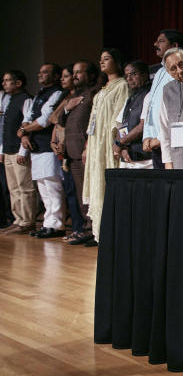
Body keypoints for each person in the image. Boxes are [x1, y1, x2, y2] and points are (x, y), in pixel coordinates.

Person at [83, 49, 129, 246]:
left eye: (107, 59)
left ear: (116, 62)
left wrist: (116, 141)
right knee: (96, 182)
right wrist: (88, 143)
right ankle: (98, 232)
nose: (102, 62)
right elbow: (93, 117)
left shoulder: (122, 85)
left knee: (106, 183)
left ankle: (109, 233)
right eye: (100, 59)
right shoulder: (103, 88)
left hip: (108, 142)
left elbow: (120, 116)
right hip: (95, 142)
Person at [18, 63, 65, 238]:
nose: (40, 75)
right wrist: (24, 132)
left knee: (53, 187)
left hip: (48, 147)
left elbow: (45, 120)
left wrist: (24, 130)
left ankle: (57, 224)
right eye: (40, 72)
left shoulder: (57, 93)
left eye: (45, 72)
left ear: (55, 76)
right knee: (43, 189)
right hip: (35, 147)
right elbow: (28, 117)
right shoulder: (39, 94)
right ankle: (48, 223)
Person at [59, 61, 99, 245]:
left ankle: (93, 229)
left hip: (85, 150)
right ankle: (85, 228)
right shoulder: (75, 95)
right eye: (73, 72)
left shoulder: (94, 93)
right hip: (72, 151)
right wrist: (67, 108)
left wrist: (87, 146)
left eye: (79, 72)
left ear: (91, 75)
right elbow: (59, 119)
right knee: (80, 194)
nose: (74, 76)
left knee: (89, 192)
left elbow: (95, 122)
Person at [49, 65, 85, 242]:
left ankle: (81, 227)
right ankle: (77, 228)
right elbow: (53, 118)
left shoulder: (81, 96)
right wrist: (53, 140)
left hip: (73, 146)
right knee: (71, 190)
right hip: (63, 147)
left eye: (67, 76)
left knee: (78, 190)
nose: (63, 79)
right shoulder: (67, 97)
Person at [142, 28, 183, 167]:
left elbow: (178, 111)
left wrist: (160, 138)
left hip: (171, 141)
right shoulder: (159, 72)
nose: (155, 44)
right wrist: (147, 136)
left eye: (161, 41)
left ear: (174, 46)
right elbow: (151, 108)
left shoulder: (181, 72)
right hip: (154, 144)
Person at [0, 70, 36, 235]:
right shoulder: (9, 99)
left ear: (18, 83)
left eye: (8, 80)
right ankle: (18, 219)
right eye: (4, 80)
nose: (4, 83)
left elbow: (26, 125)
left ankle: (27, 221)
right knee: (13, 188)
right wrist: (2, 150)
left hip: (19, 150)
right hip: (8, 150)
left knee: (24, 186)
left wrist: (23, 151)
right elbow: (4, 127)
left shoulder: (25, 99)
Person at [158, 49, 183, 169]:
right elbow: (164, 129)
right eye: (173, 69)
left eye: (182, 64)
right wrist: (168, 162)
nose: (180, 71)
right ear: (168, 72)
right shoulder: (167, 90)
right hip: (178, 162)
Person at [113, 60, 153, 169]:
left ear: (145, 74)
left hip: (145, 159)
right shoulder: (130, 98)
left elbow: (142, 126)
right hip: (128, 156)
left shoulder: (150, 94)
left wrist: (119, 143)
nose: (129, 79)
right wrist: (123, 147)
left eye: (133, 74)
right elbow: (121, 126)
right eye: (126, 76)